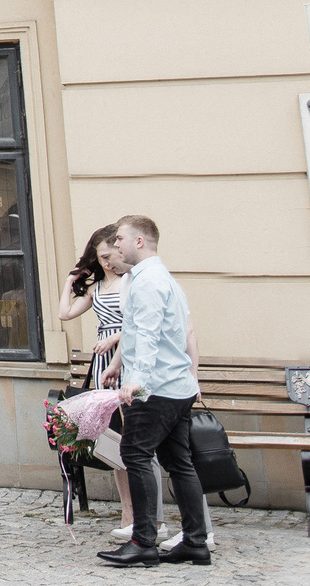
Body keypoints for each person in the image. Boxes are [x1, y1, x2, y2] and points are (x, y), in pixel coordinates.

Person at [99, 219, 209, 569]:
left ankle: (143, 542)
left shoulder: (147, 282)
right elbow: (151, 331)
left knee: (135, 454)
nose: (116, 245)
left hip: (155, 389)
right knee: (179, 463)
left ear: (139, 242)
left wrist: (137, 381)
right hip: (177, 386)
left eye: (120, 239)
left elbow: (147, 333)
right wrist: (118, 365)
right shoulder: (163, 278)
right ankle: (196, 542)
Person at [58, 225, 140, 536]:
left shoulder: (130, 281)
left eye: (109, 255)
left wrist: (114, 338)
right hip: (104, 363)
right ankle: (127, 508)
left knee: (133, 434)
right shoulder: (98, 288)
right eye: (101, 257)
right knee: (113, 436)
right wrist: (70, 282)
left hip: (127, 355)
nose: (106, 262)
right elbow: (65, 314)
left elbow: (136, 322)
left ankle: (143, 508)